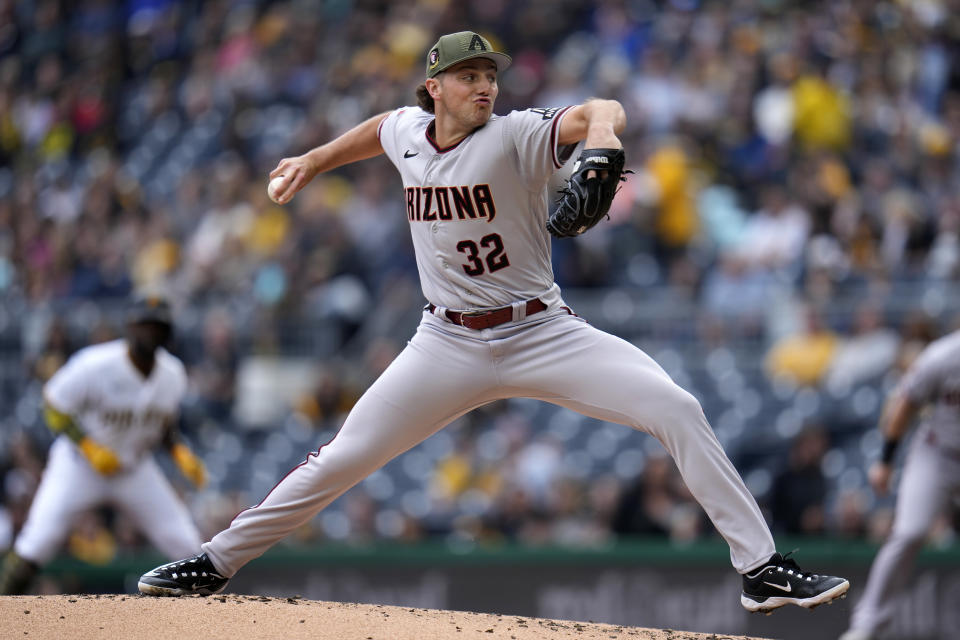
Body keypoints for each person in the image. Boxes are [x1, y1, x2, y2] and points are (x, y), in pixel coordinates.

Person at [138, 30, 849, 613]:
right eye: (470, 75)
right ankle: (213, 562)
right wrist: (318, 160)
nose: (485, 85)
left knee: (678, 406)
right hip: (444, 342)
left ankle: (760, 569)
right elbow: (381, 131)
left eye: (491, 75)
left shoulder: (513, 135)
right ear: (434, 87)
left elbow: (602, 109)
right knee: (342, 458)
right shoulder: (410, 132)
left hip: (542, 331)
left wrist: (602, 142)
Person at [0, 294, 207, 595]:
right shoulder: (95, 363)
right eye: (144, 325)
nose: (151, 332)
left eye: (158, 327)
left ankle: (212, 623)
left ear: (168, 333)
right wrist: (88, 446)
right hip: (79, 466)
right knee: (37, 543)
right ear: (130, 327)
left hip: (134, 469)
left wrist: (178, 451)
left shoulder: (173, 374)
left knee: (188, 545)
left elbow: (164, 423)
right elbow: (53, 404)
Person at [840, 328, 960, 640]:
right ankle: (867, 625)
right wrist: (885, 460)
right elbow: (905, 404)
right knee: (909, 532)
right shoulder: (944, 355)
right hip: (937, 454)